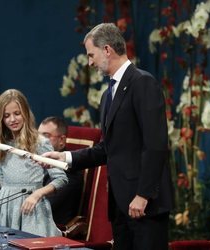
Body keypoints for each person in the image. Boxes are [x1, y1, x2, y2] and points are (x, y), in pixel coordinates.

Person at [42, 23, 174, 250]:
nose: (90, 62)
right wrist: (65, 158)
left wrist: (143, 195)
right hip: (120, 206)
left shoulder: (142, 83)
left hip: (145, 206)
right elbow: (107, 149)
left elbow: (156, 145)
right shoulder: (107, 95)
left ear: (107, 50)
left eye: (91, 55)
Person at [0, 89, 68, 237]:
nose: (12, 119)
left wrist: (37, 194)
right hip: (5, 209)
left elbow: (61, 178)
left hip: (31, 210)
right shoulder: (2, 145)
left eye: (17, 113)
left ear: (25, 112)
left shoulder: (40, 143)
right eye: (6, 116)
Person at [38, 116, 83, 225]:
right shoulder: (36, 163)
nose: (39, 141)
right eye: (38, 136)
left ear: (61, 140)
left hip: (50, 232)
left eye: (46, 136)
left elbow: (43, 208)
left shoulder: (69, 173)